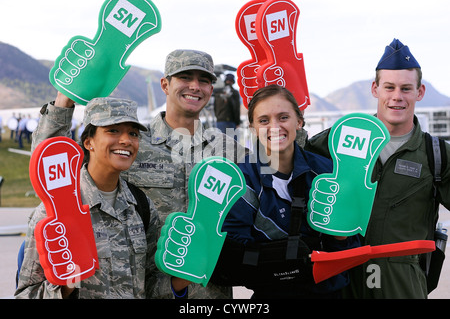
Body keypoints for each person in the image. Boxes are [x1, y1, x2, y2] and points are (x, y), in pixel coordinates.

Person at [31, 49, 247, 299]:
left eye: (204, 80)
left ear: (211, 89)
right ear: (165, 84)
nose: (195, 86)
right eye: (185, 77)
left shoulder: (228, 149)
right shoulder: (131, 143)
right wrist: (64, 102)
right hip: (145, 288)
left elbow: (284, 169)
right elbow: (49, 167)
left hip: (208, 293)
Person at [305, 39, 450, 298]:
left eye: (406, 89)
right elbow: (290, 164)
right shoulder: (336, 141)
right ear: (375, 89)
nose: (397, 96)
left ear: (420, 92)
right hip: (342, 278)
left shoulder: (437, 154)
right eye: (389, 87)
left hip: (402, 283)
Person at [16, 98, 188, 299]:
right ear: (89, 142)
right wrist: (68, 284)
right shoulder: (56, 209)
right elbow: (26, 293)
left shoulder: (141, 205)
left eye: (133, 133)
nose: (126, 140)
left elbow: (148, 284)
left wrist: (182, 279)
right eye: (113, 131)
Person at [212, 85, 359, 298]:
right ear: (252, 127)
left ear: (299, 122)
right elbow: (233, 255)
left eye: (283, 117)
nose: (274, 126)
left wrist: (340, 239)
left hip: (327, 293)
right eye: (264, 120)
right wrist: (289, 256)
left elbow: (351, 249)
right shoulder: (241, 180)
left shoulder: (328, 173)